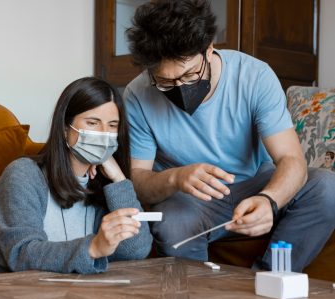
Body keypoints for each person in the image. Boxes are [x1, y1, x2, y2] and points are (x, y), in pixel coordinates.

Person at [123, 0, 335, 272]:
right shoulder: (137, 94)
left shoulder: (255, 76)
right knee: (171, 221)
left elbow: (291, 158)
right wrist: (176, 177)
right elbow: (139, 181)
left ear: (209, 48)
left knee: (327, 188)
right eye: (165, 82)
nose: (180, 88)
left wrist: (270, 200)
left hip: (255, 181)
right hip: (190, 199)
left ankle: (267, 280)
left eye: (190, 75)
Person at [0, 77, 152, 278]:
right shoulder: (23, 174)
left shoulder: (103, 186)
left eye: (112, 125)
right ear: (65, 129)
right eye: (92, 122)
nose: (104, 134)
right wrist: (93, 247)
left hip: (45, 295)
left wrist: (118, 179)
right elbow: (22, 254)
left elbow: (135, 250)